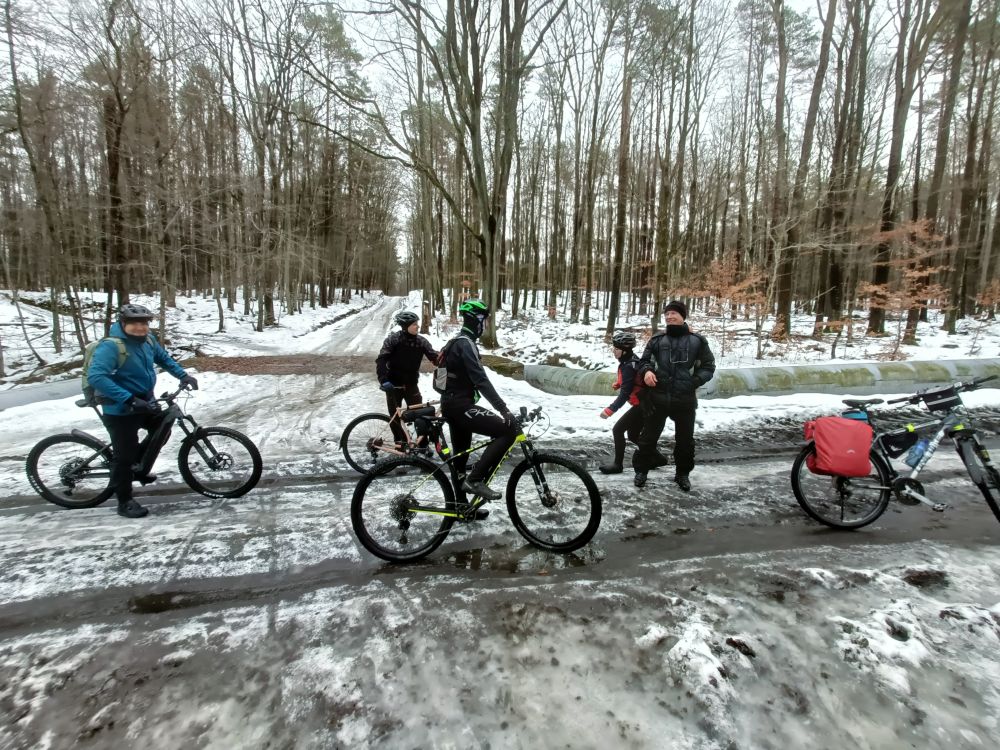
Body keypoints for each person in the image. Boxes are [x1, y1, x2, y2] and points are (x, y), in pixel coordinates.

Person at [87, 303, 199, 518]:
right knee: (124, 455)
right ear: (123, 323)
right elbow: (97, 377)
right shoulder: (111, 346)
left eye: (144, 323)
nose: (140, 327)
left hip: (144, 402)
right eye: (134, 323)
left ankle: (135, 468)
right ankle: (124, 500)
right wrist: (128, 398)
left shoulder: (148, 340)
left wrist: (183, 375)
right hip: (119, 408)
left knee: (162, 427)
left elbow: (163, 359)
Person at [439, 299, 519, 512]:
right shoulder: (465, 344)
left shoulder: (455, 342)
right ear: (476, 320)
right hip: (460, 406)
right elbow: (480, 380)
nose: (485, 324)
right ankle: (475, 480)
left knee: (461, 457)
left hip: (451, 405)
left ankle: (460, 508)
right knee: (508, 430)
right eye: (484, 319)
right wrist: (503, 409)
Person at [633, 300, 716, 491]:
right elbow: (643, 361)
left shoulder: (697, 340)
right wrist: (646, 372)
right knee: (648, 438)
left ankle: (682, 474)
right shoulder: (656, 340)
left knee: (685, 441)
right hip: (658, 397)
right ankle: (641, 471)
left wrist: (694, 381)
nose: (669, 317)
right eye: (667, 314)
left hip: (685, 400)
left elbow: (708, 366)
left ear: (682, 316)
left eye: (674, 313)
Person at [375, 310, 439, 447]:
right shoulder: (393, 340)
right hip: (393, 385)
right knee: (395, 416)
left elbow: (435, 357)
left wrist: (450, 358)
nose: (418, 326)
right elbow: (381, 359)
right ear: (406, 326)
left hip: (411, 384)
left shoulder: (421, 341)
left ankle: (423, 444)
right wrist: (383, 380)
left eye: (417, 323)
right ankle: (401, 443)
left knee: (420, 414)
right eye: (415, 324)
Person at [598, 331, 645, 474]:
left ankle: (618, 465)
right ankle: (658, 458)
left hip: (642, 405)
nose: (614, 351)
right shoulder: (629, 361)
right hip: (643, 403)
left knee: (618, 430)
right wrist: (620, 383)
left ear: (625, 351)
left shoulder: (628, 365)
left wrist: (610, 410)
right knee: (633, 435)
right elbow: (631, 382)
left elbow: (625, 394)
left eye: (617, 349)